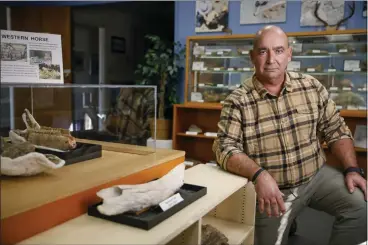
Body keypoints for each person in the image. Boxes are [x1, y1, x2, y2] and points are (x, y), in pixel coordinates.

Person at [212, 25, 367, 245]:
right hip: (272, 190)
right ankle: (288, 219)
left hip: (315, 177)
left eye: (278, 50)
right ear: (252, 57)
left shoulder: (311, 86)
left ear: (289, 54)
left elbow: (335, 128)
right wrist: (259, 176)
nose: (271, 59)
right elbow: (225, 148)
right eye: (263, 51)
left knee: (361, 206)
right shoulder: (237, 101)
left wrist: (352, 169)